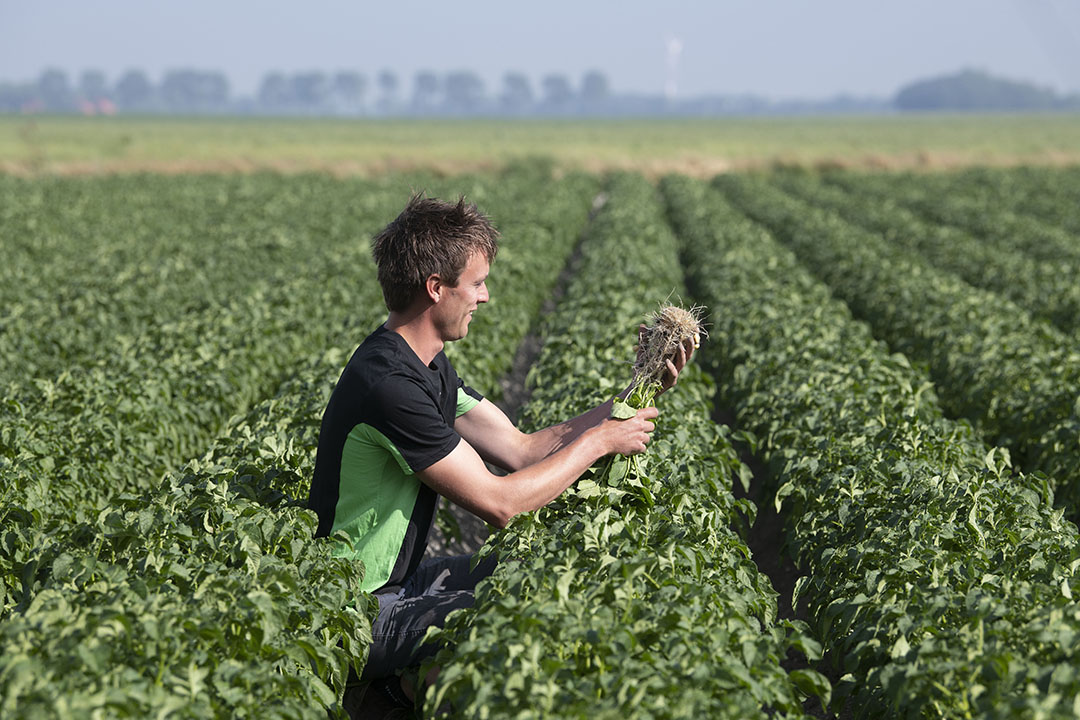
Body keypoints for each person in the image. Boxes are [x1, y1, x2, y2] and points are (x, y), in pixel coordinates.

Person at [307, 193, 691, 715]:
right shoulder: (389, 385)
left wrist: (635, 393)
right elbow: (501, 503)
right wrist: (601, 442)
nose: (485, 297)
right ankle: (390, 698)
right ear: (435, 289)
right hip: (351, 608)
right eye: (477, 282)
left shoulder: (427, 365)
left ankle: (395, 692)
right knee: (503, 620)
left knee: (524, 573)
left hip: (398, 582)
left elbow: (521, 448)